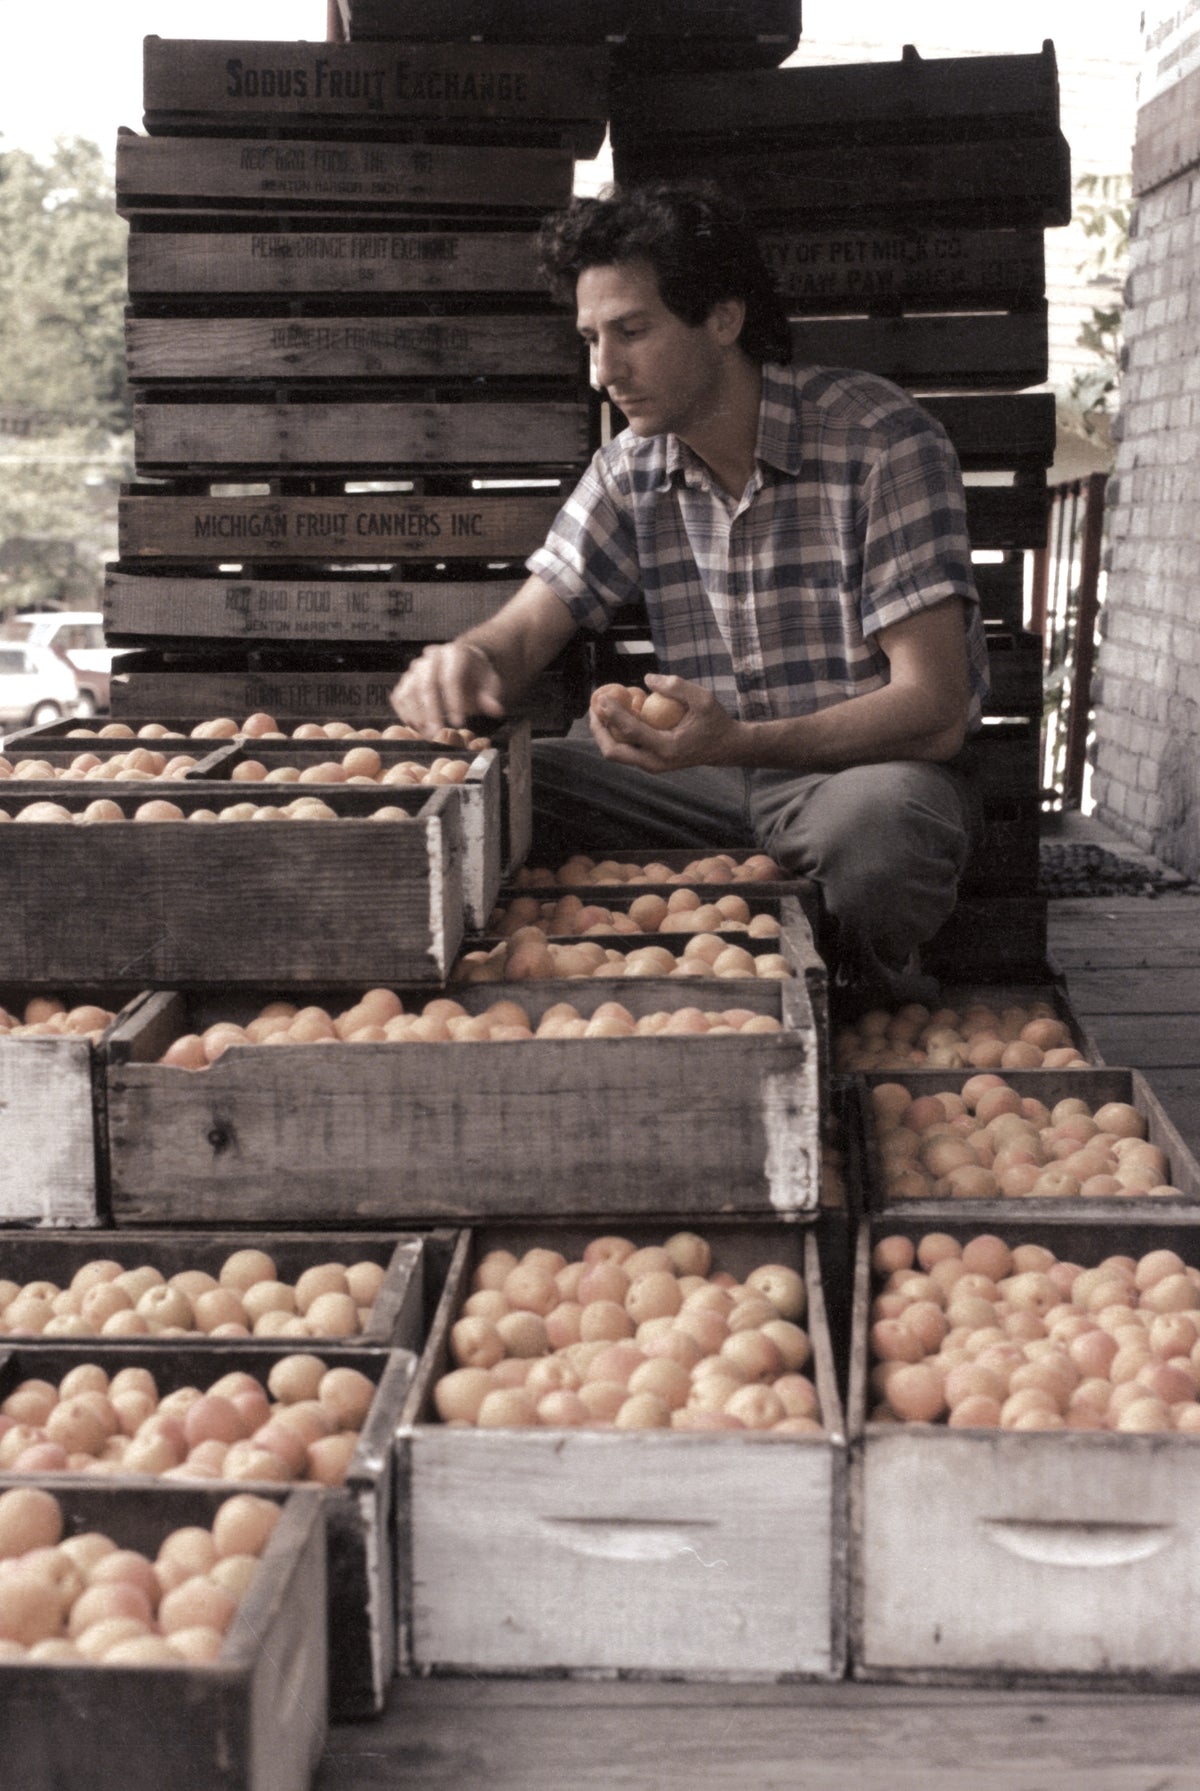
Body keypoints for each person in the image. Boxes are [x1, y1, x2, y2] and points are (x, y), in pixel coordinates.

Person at [391, 181, 990, 1006]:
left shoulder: (881, 444)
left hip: (852, 776)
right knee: (504, 785)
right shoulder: (632, 470)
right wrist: (469, 658)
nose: (604, 371)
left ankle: (859, 1000)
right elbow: (528, 627)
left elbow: (934, 706)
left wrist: (736, 740)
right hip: (698, 781)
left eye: (632, 332)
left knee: (884, 832)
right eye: (591, 338)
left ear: (723, 319)